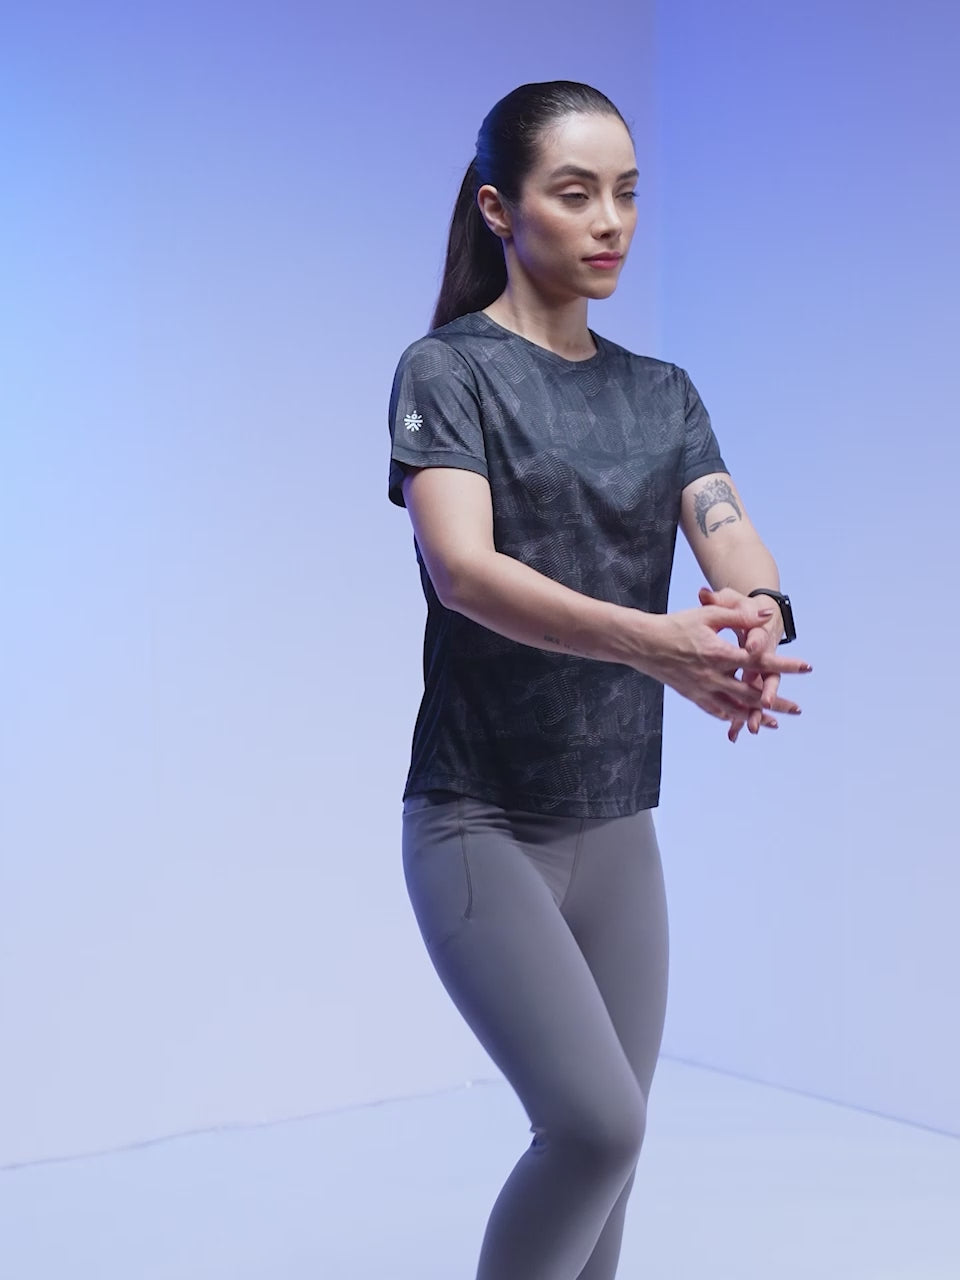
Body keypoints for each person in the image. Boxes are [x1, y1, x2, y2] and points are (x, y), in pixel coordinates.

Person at [386, 80, 811, 1280]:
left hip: (618, 825)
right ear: (498, 208)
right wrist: (653, 642)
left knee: (609, 1176)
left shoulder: (661, 392)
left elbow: (731, 534)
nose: (610, 220)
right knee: (594, 1127)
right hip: (479, 821)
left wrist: (757, 616)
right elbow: (465, 572)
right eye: (575, 193)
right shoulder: (446, 371)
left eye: (626, 192)